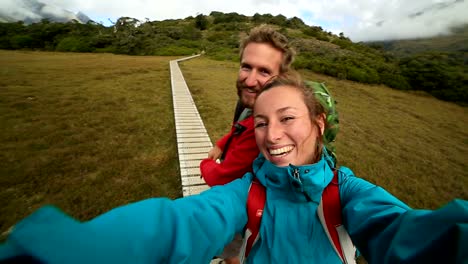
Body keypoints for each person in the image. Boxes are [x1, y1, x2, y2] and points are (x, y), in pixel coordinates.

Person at [1, 72, 467, 264]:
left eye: (287, 119)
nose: (271, 134)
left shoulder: (348, 192)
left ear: (319, 125)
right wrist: (76, 250)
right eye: (261, 122)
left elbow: (403, 232)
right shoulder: (245, 192)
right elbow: (178, 224)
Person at [200, 24, 295, 264]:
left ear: (281, 78)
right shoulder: (252, 105)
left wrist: (204, 163)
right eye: (246, 67)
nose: (250, 80)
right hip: (245, 200)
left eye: (264, 71)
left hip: (248, 209)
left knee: (233, 245)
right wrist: (222, 143)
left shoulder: (264, 130)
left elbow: (220, 178)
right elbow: (237, 128)